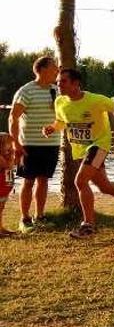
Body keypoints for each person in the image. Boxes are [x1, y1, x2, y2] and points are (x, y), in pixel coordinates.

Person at [42, 68, 114, 238]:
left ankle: (88, 226)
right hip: (80, 150)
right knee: (104, 186)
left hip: (99, 145)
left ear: (76, 84)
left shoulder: (94, 100)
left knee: (81, 181)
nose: (58, 85)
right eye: (58, 81)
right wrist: (52, 128)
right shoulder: (60, 102)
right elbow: (61, 121)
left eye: (63, 81)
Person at [8, 56, 61, 233]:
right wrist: (16, 143)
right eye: (54, 67)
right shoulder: (26, 91)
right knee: (28, 181)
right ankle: (24, 219)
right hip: (29, 144)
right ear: (43, 69)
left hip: (52, 144)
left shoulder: (56, 90)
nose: (57, 70)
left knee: (44, 180)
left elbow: (62, 117)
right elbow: (13, 118)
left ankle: (40, 216)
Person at [0, 134, 16, 236]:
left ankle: (1, 227)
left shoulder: (7, 156)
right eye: (8, 144)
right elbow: (7, 165)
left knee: (2, 206)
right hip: (1, 185)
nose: (11, 146)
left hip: (6, 184)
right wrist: (11, 156)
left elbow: (11, 167)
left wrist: (11, 155)